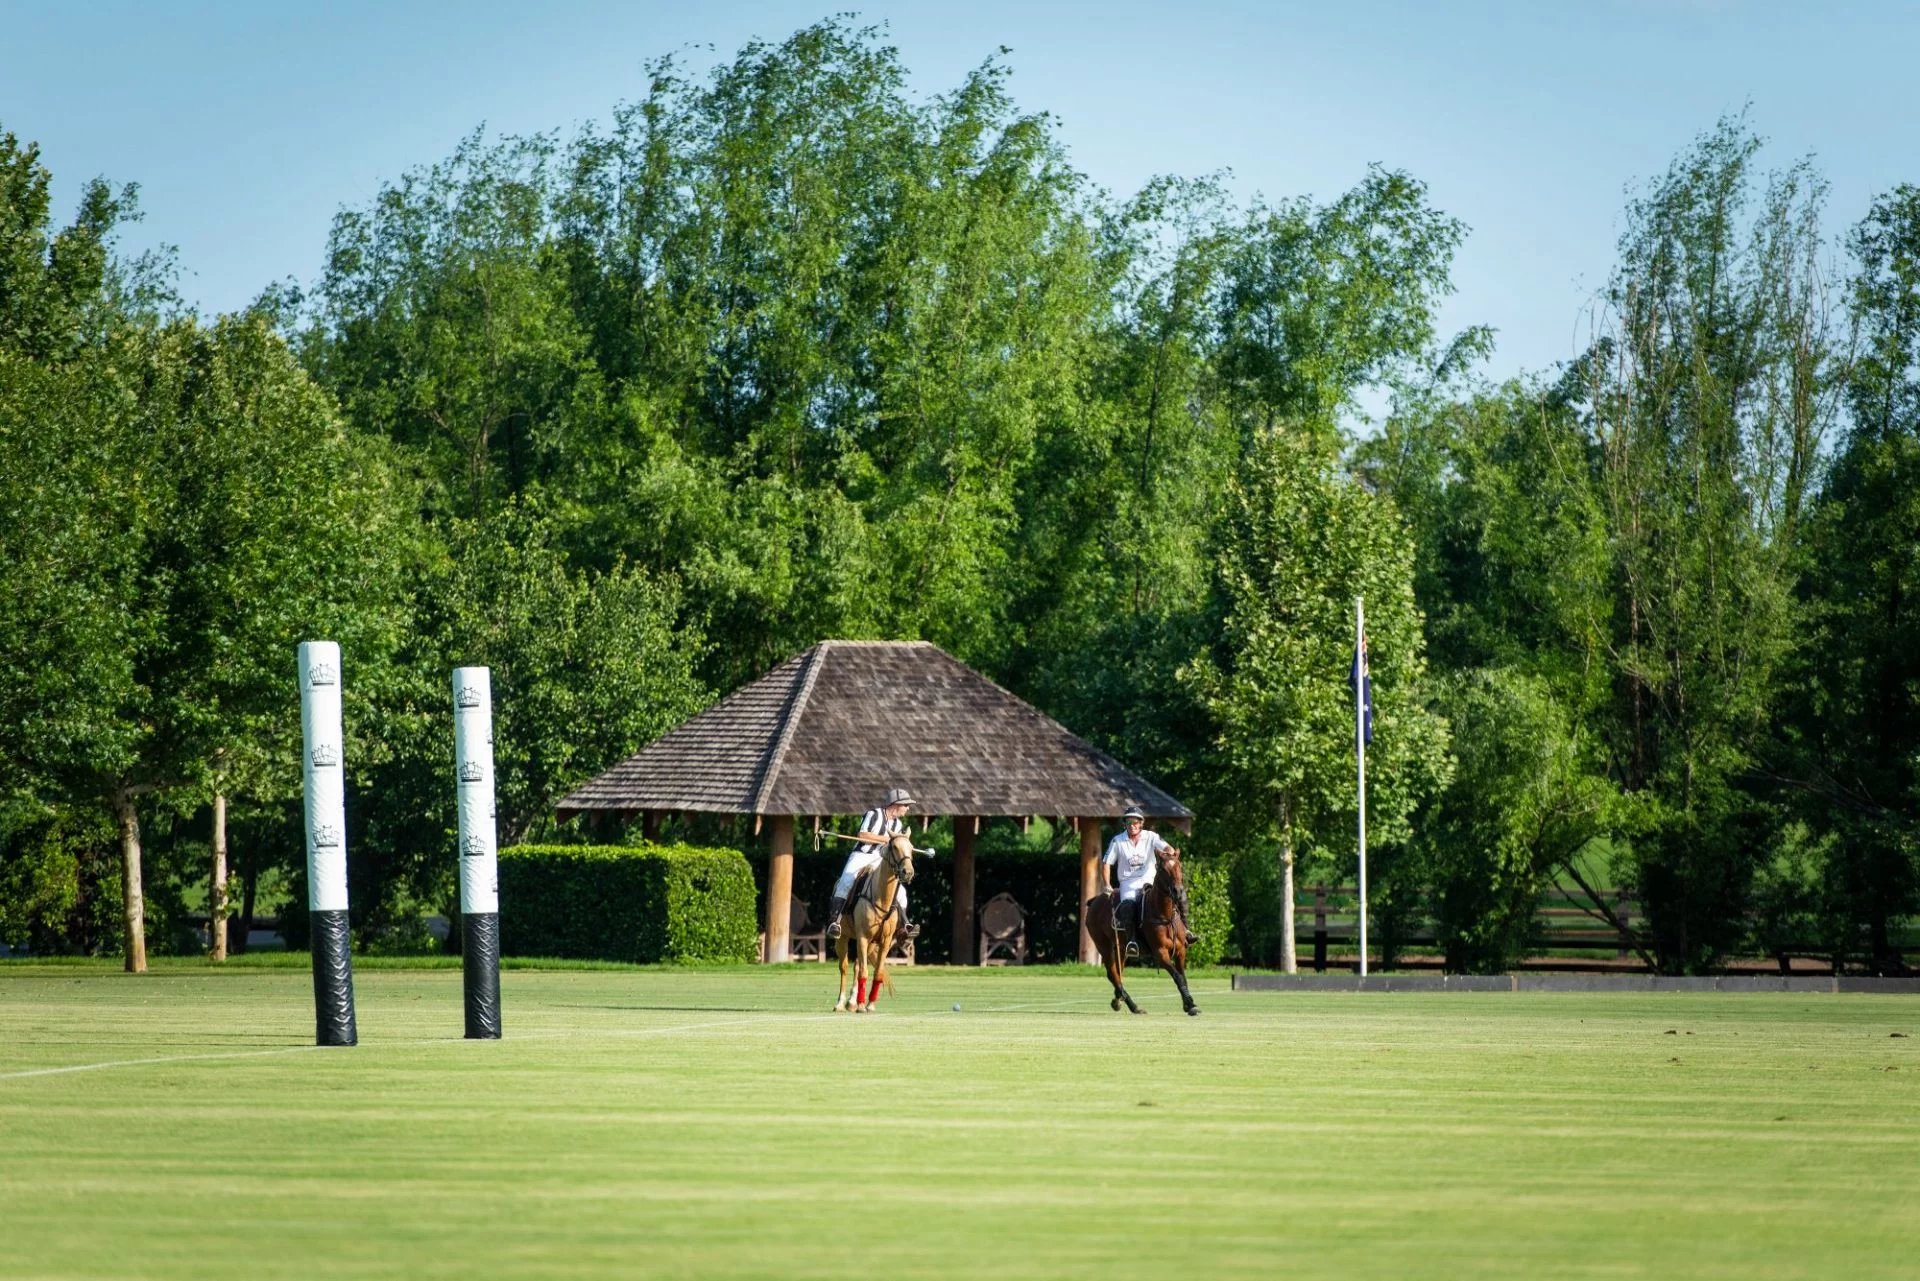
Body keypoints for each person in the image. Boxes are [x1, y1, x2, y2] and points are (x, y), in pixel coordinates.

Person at [826, 787, 920, 941]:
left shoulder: (898, 825)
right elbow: (862, 835)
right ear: (896, 804)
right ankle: (835, 922)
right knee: (845, 881)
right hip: (862, 855)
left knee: (901, 892)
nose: (908, 808)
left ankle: (904, 925)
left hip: (881, 860)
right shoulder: (874, 814)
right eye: (906, 805)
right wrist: (888, 840)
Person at [1101, 806, 1197, 956]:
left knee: (1180, 896)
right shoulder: (1117, 841)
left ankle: (1186, 929)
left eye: (1135, 822)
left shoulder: (1151, 836)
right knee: (1127, 907)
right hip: (1128, 883)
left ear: (1141, 823)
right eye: (1129, 821)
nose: (1132, 825)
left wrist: (1170, 854)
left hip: (1150, 881)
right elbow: (1107, 863)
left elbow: (1167, 847)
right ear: (1124, 824)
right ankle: (1132, 941)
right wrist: (1107, 884)